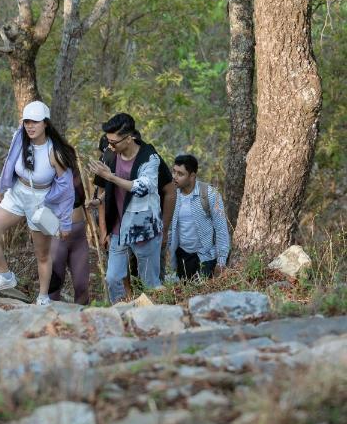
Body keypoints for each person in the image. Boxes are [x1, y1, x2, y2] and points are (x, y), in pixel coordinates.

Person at [0, 100, 75, 306]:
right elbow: (9, 163)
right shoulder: (19, 137)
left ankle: (42, 296)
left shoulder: (55, 152)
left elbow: (67, 192)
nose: (30, 126)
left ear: (46, 124)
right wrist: (0, 189)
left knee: (41, 254)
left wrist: (65, 223)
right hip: (17, 193)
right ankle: (5, 276)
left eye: (35, 122)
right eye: (27, 121)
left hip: (41, 202)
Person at [90, 113, 169, 303]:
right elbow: (114, 188)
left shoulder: (149, 157)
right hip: (118, 226)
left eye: (114, 142)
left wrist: (109, 177)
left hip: (144, 227)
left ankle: (157, 318)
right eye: (108, 141)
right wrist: (100, 200)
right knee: (113, 278)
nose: (110, 146)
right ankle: (121, 314)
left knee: (149, 282)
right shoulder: (110, 154)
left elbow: (142, 187)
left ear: (129, 138)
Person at [168, 153, 230, 280]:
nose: (175, 177)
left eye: (180, 174)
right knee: (184, 294)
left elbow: (221, 228)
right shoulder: (172, 195)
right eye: (174, 172)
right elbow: (171, 229)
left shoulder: (210, 194)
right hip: (182, 256)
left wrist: (221, 261)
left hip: (205, 257)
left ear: (192, 176)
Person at [48, 170, 90, 305]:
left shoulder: (77, 173)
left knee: (82, 285)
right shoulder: (45, 172)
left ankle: (83, 322)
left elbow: (86, 202)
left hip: (79, 235)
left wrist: (92, 226)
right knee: (53, 285)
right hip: (55, 234)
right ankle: (52, 322)